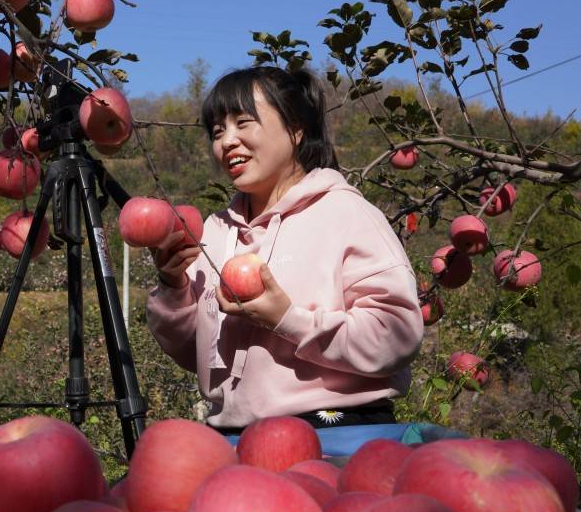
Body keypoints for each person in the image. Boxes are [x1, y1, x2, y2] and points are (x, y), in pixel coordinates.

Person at [145, 66, 425, 453]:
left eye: (243, 122)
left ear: (296, 129)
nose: (227, 141)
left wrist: (287, 320)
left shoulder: (345, 214)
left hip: (335, 437)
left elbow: (397, 334)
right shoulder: (214, 232)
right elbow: (195, 353)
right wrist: (174, 287)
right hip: (233, 440)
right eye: (217, 131)